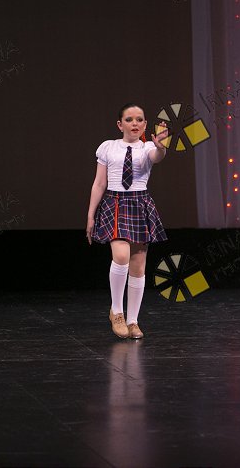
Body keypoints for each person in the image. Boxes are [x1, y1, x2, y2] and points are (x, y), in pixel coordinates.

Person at [87, 103, 169, 339]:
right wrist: (91, 215)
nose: (135, 123)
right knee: (121, 256)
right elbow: (99, 183)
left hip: (139, 203)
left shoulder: (148, 147)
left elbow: (157, 156)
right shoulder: (108, 147)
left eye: (139, 119)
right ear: (119, 124)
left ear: (145, 124)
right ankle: (117, 311)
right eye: (130, 119)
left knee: (138, 265)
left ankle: (133, 320)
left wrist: (161, 146)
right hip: (115, 203)